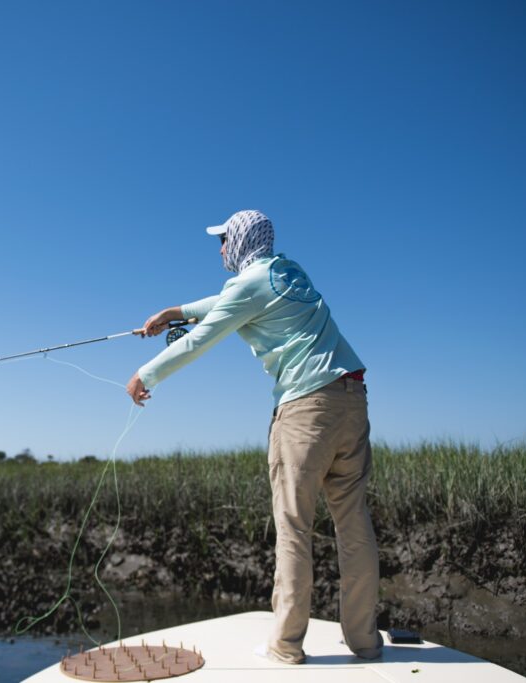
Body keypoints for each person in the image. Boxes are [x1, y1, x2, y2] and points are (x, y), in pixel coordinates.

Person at [126, 209, 382, 663]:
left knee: (294, 527)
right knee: (354, 525)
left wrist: (146, 374)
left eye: (224, 240)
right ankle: (364, 642)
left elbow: (203, 336)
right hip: (352, 398)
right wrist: (174, 312)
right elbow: (228, 300)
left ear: (240, 241)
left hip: (306, 409)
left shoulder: (250, 286)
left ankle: (286, 646)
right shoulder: (287, 271)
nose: (221, 249)